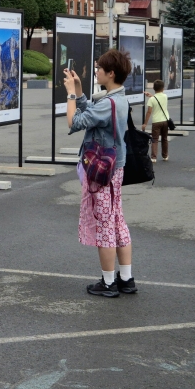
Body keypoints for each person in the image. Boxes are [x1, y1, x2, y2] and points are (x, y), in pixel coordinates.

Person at [64, 49, 136, 298]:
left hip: (102, 170)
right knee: (117, 220)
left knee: (104, 224)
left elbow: (75, 122)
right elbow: (91, 113)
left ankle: (108, 283)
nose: (96, 71)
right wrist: (81, 91)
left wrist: (71, 94)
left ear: (111, 73)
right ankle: (126, 279)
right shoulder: (119, 98)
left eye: (99, 68)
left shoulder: (107, 104)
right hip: (116, 166)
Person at [142, 79, 170, 162]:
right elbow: (158, 98)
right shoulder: (165, 96)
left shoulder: (152, 100)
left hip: (156, 121)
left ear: (153, 88)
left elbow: (149, 112)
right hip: (165, 120)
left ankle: (154, 157)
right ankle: (165, 156)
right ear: (163, 88)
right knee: (164, 139)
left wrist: (145, 123)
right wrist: (151, 95)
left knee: (155, 139)